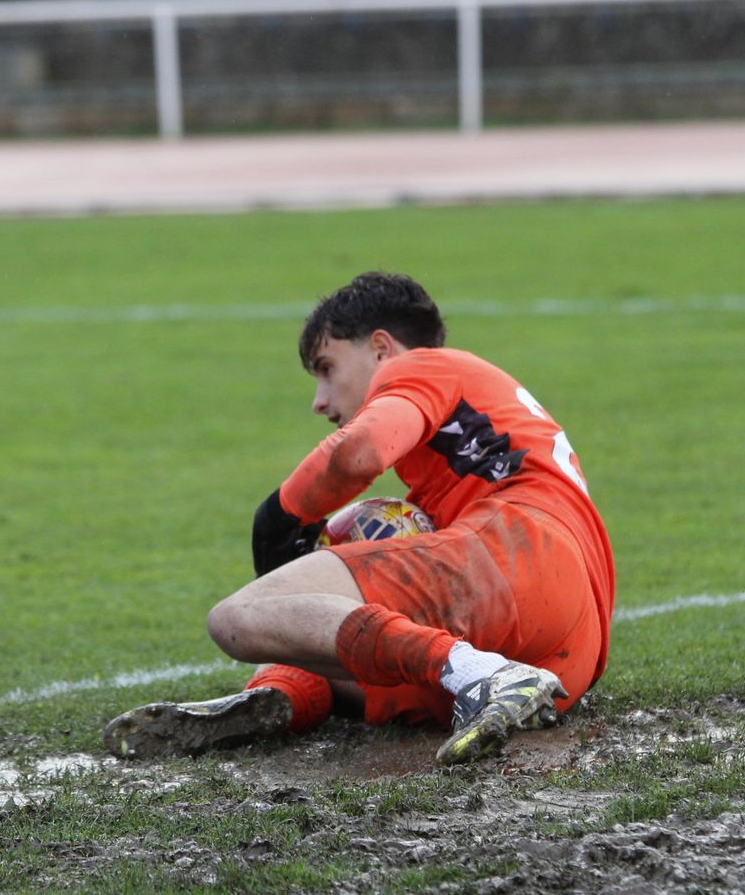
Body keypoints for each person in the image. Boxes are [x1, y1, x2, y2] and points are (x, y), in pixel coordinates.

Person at [104, 272, 614, 765]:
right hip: (572, 642)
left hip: (515, 550)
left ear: (380, 348)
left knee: (237, 619)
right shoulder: (478, 419)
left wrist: (283, 513)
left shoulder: (422, 366)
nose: (320, 401)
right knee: (343, 638)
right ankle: (282, 695)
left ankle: (474, 671)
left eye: (327, 368)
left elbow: (362, 453)